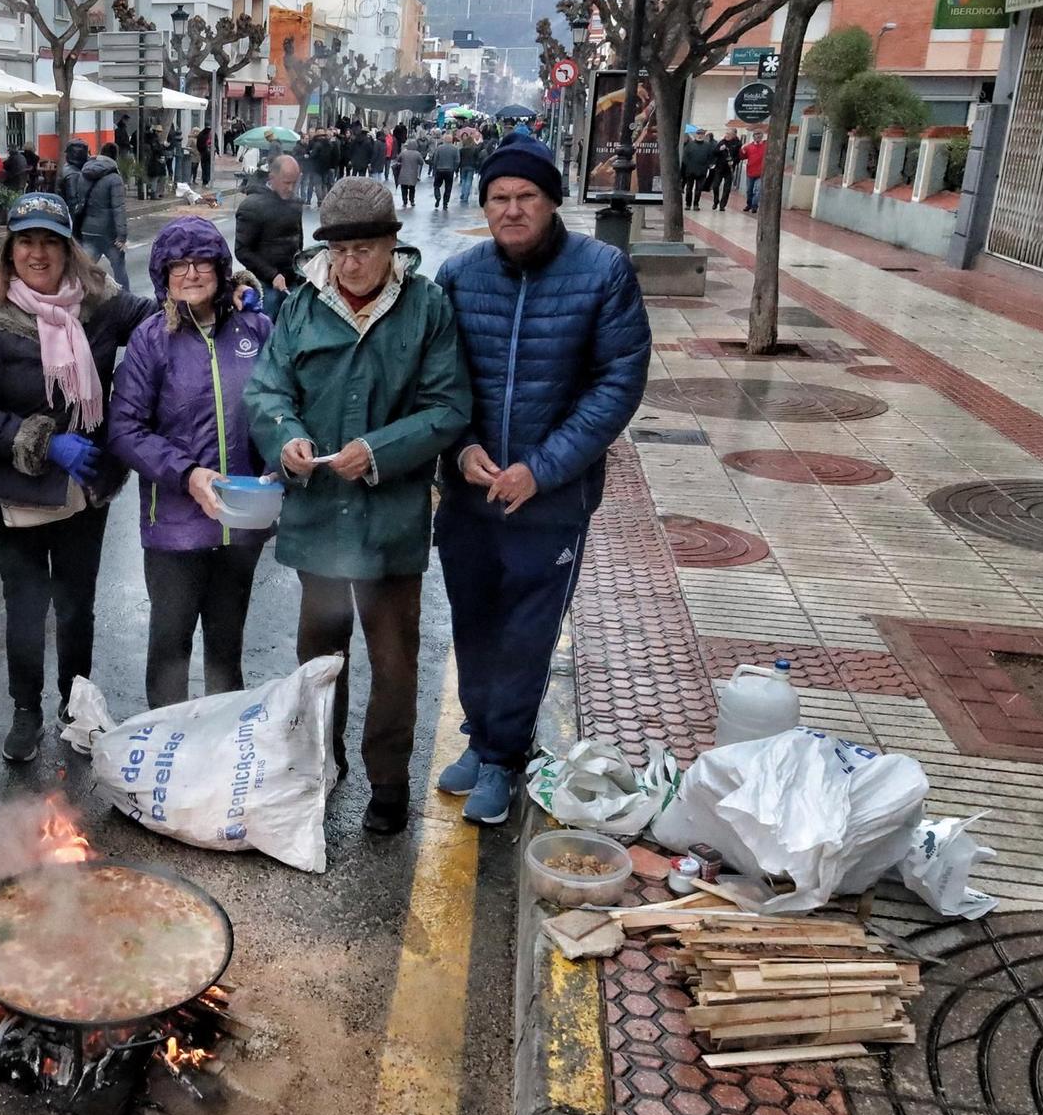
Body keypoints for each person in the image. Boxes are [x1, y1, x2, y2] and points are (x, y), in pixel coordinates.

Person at [432, 132, 650, 825]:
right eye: (499, 197)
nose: (513, 209)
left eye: (527, 196)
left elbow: (617, 383)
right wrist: (462, 449)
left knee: (526, 633)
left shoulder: (604, 271)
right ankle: (480, 733)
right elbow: (441, 378)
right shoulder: (461, 274)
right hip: (471, 494)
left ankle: (504, 758)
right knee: (473, 623)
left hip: (552, 500)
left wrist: (544, 467)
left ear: (553, 201)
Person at [243, 176, 471, 836]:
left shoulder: (426, 307)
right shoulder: (303, 307)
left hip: (391, 520)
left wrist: (376, 450)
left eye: (365, 249)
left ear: (392, 246)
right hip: (319, 520)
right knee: (318, 657)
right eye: (340, 251)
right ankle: (320, 765)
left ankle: (388, 782)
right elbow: (267, 391)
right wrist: (285, 436)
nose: (350, 263)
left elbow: (448, 406)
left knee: (395, 660)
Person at [0, 193, 157, 764]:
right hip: (12, 489)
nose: (37, 253)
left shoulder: (102, 304)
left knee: (75, 604)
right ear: (10, 248)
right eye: (25, 240)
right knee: (25, 603)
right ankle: (25, 710)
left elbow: (165, 313)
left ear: (69, 248)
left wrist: (230, 282)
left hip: (84, 487)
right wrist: (43, 441)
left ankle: (76, 703)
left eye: (49, 241)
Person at [107, 218, 274, 709]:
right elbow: (126, 429)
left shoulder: (257, 328)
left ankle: (220, 749)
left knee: (227, 651)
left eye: (202, 261)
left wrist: (279, 468)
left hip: (241, 523)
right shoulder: (150, 339)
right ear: (163, 274)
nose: (191, 272)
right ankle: (169, 752)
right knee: (169, 650)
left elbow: (280, 406)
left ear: (223, 270)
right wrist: (188, 473)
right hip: (174, 527)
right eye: (178, 264)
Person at [235, 154, 304, 315]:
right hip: (265, 285)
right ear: (272, 178)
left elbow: (298, 240)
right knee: (266, 331)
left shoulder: (295, 203)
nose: (291, 188)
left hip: (291, 281)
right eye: (287, 183)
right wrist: (272, 275)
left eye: (295, 183)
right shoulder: (252, 206)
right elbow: (242, 251)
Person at [75, 142, 131, 289]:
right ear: (115, 156)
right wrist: (122, 235)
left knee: (85, 267)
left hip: (88, 228)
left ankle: (79, 294)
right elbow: (118, 208)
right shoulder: (114, 178)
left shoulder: (84, 173)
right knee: (119, 268)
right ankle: (126, 298)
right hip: (109, 233)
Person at [682, 130, 717, 210]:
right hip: (690, 170)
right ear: (696, 135)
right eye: (698, 134)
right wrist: (688, 165)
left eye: (701, 134)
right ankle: (688, 204)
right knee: (689, 188)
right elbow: (685, 157)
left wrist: (707, 166)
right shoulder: (690, 145)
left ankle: (696, 204)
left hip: (702, 171)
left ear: (704, 135)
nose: (700, 136)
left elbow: (711, 157)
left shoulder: (708, 146)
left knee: (699, 189)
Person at [710, 131, 743, 211]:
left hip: (729, 169)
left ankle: (722, 205)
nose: (726, 135)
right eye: (726, 133)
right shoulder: (722, 142)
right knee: (715, 185)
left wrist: (734, 161)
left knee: (727, 188)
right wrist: (720, 149)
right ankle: (716, 201)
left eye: (729, 134)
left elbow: (739, 157)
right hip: (720, 167)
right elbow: (714, 152)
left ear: (734, 135)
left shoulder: (738, 144)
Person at [428, 135, 461, 209]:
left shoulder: (439, 148)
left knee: (437, 185)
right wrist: (454, 168)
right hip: (449, 170)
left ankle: (437, 196)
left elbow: (435, 159)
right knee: (448, 187)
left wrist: (435, 167)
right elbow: (457, 160)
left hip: (440, 169)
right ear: (451, 140)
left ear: (444, 140)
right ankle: (445, 203)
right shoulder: (455, 149)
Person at [395, 137, 426, 208]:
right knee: (412, 188)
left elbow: (398, 159)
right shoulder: (417, 154)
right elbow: (421, 162)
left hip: (403, 173)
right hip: (413, 174)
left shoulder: (404, 153)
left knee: (404, 188)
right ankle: (412, 201)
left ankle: (404, 201)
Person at [742, 130, 767, 213]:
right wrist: (742, 151)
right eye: (756, 135)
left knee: (758, 190)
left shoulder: (766, 146)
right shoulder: (748, 147)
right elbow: (742, 157)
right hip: (750, 172)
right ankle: (749, 204)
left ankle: (754, 206)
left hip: (761, 173)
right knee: (749, 190)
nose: (758, 136)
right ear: (753, 137)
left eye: (759, 134)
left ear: (762, 136)